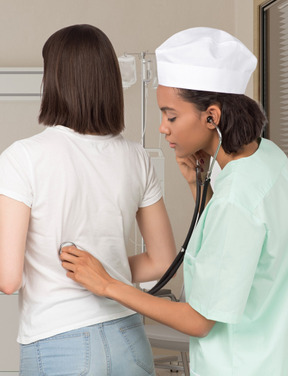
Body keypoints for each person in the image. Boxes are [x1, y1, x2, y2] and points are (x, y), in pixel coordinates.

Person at [60, 27, 288, 376]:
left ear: (212, 116)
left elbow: (199, 320)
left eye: (171, 116)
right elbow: (241, 250)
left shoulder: (236, 200)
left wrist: (107, 284)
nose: (163, 128)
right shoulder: (269, 158)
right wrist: (198, 189)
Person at [0, 24, 176, 376]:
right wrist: (107, 272)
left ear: (54, 82)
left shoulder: (23, 157)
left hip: (57, 344)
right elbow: (163, 260)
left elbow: (9, 279)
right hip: (130, 337)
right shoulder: (136, 157)